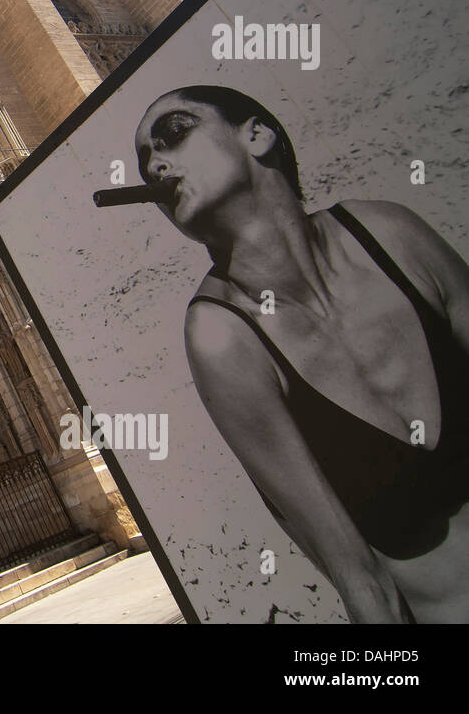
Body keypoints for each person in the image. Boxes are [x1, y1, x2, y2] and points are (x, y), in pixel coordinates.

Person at [133, 85, 469, 623]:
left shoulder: (391, 233)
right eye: (144, 159)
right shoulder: (222, 337)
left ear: (257, 135)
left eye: (173, 133)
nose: (154, 165)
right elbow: (362, 581)